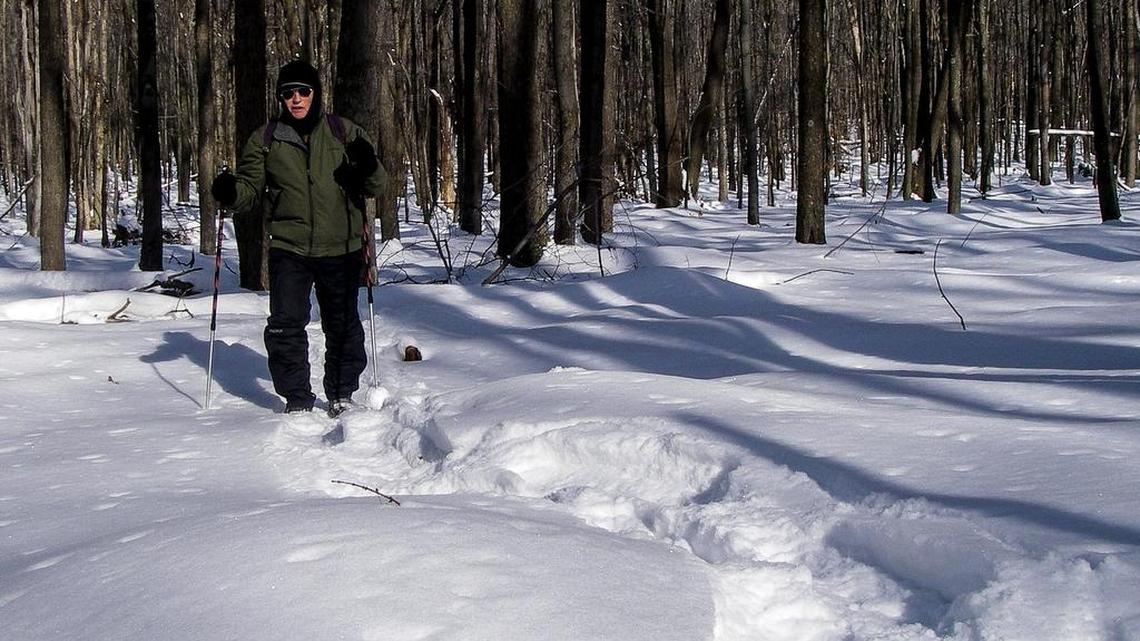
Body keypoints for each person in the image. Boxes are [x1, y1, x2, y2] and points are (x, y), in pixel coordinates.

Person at [211, 60, 385, 416]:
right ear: (280, 98)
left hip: (341, 245)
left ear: (316, 93)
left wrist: (367, 165)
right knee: (285, 324)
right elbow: (248, 190)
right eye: (288, 93)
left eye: (303, 91)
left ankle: (341, 393)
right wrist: (229, 193)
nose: (296, 99)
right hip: (289, 247)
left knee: (343, 324)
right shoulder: (265, 139)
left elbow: (376, 185)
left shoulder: (343, 132)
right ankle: (297, 398)